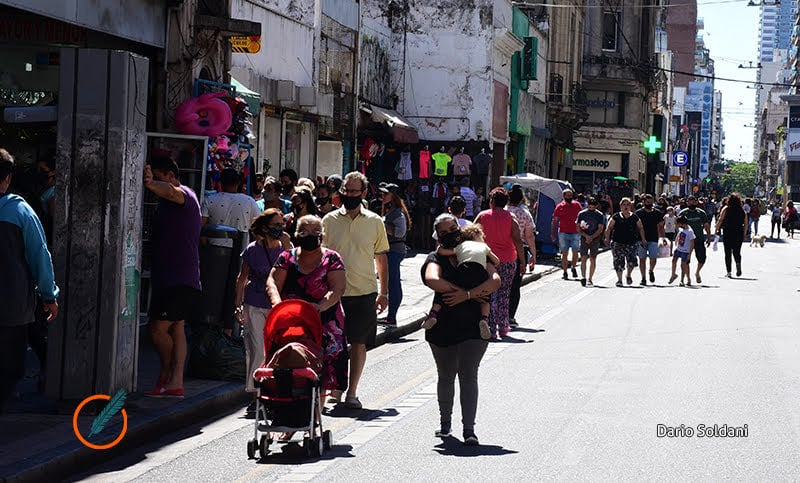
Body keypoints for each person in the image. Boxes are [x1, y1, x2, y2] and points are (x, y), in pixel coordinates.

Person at [421, 213, 501, 445]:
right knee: (445, 376)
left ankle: (469, 430)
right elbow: (432, 279)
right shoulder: (436, 257)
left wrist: (466, 295)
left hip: (475, 325)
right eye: (443, 232)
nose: (449, 234)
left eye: (452, 229)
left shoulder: (474, 250)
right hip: (442, 326)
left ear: (460, 228)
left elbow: (495, 279)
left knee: (469, 375)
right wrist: (464, 290)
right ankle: (445, 425)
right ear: (438, 235)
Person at [322, 171, 389, 409]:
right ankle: (336, 388)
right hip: (333, 293)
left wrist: (384, 292)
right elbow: (321, 257)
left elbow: (381, 258)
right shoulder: (329, 220)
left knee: (359, 342)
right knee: (334, 344)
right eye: (346, 191)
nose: (349, 195)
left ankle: (352, 391)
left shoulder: (375, 221)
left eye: (354, 191)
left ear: (363, 193)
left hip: (364, 291)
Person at [0, 148, 59, 413]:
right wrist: (49, 296)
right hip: (11, 306)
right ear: (8, 178)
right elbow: (39, 255)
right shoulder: (19, 210)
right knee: (11, 367)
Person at [267, 215, 348, 404]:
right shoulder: (286, 257)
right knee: (288, 364)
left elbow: (337, 289)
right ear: (296, 234)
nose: (309, 235)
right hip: (291, 320)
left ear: (323, 236)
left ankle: (314, 416)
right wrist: (277, 304)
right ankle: (286, 409)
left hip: (325, 320)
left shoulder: (332, 258)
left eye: (315, 232)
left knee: (321, 372)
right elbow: (272, 282)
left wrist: (319, 307)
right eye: (304, 231)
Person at [144, 155, 201, 398]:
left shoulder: (185, 194)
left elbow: (171, 192)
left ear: (170, 176)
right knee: (176, 328)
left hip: (179, 278)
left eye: (158, 178)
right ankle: (175, 382)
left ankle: (166, 373)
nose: (155, 185)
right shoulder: (166, 205)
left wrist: (150, 183)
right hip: (169, 276)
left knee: (157, 330)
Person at [234, 209, 292, 415]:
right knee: (257, 349)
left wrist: (288, 246)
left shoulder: (286, 248)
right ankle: (256, 395)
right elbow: (242, 278)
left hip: (278, 306)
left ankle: (276, 392)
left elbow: (294, 271)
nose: (280, 228)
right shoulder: (252, 250)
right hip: (254, 304)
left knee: (277, 351)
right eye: (276, 224)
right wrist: (238, 305)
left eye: (282, 224)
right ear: (266, 227)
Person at [422, 223, 498, 340]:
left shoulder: (460, 248)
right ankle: (484, 319)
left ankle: (433, 314)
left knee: (441, 292)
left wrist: (464, 292)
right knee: (485, 299)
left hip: (463, 271)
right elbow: (496, 267)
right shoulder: (484, 248)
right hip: (479, 274)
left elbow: (442, 253)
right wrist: (470, 294)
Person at [474, 188, 525, 338]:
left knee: (490, 294)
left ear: (492, 201)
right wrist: (522, 261)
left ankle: (491, 328)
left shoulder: (482, 216)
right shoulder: (511, 218)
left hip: (488, 261)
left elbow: (471, 234)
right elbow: (518, 241)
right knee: (504, 294)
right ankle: (503, 326)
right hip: (509, 260)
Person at [201, 168, 261, 246]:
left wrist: (205, 248)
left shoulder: (209, 200)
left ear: (221, 182)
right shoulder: (249, 202)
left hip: (214, 250)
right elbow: (259, 227)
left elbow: (202, 228)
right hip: (240, 250)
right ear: (238, 183)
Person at [505, 185, 536, 326]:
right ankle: (510, 317)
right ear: (521, 199)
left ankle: (496, 314)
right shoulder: (525, 214)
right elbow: (529, 236)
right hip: (519, 251)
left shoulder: (502, 212)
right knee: (515, 285)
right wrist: (533, 255)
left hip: (500, 250)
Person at [381, 184, 411, 326]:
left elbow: (400, 232)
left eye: (386, 194)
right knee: (389, 283)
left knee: (393, 283)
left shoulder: (398, 213)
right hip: (389, 251)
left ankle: (392, 317)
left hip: (394, 251)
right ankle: (390, 315)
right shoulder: (391, 211)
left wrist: (383, 226)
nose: (383, 196)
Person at [604, 197, 646, 287]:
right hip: (617, 242)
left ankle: (628, 275)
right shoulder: (616, 216)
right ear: (620, 206)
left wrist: (643, 239)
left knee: (631, 261)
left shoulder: (634, 217)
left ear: (631, 206)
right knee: (618, 261)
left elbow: (640, 228)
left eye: (628, 205)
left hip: (631, 243)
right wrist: (607, 238)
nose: (626, 206)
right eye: (624, 205)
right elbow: (609, 228)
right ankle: (619, 280)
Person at [550, 189, 583, 281]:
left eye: (570, 195)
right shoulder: (559, 207)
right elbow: (555, 221)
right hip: (563, 232)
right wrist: (552, 233)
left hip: (575, 232)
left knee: (575, 252)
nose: (569, 197)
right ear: (563, 196)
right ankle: (565, 271)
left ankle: (573, 267)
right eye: (567, 195)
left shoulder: (577, 205)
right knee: (564, 253)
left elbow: (582, 216)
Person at [634, 194, 665, 285]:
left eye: (651, 202)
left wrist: (663, 238)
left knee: (653, 258)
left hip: (653, 238)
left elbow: (661, 226)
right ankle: (643, 278)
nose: (649, 204)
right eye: (647, 202)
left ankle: (651, 270)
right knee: (642, 259)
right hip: (641, 239)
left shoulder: (657, 213)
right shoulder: (638, 213)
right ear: (643, 202)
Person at [714, 192, 747, 278]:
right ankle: (738, 263)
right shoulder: (742, 211)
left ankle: (729, 272)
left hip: (728, 232)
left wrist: (716, 229)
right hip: (738, 232)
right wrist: (744, 233)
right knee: (737, 251)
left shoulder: (726, 208)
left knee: (727, 252)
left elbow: (720, 219)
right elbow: (746, 223)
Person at [680, 195, 712, 284]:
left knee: (702, 259)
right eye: (689, 201)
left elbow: (706, 226)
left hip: (699, 239)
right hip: (686, 241)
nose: (691, 203)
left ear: (696, 202)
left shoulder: (701, 213)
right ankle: (687, 279)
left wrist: (709, 238)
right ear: (687, 203)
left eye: (693, 201)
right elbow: (678, 225)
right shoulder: (683, 213)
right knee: (685, 260)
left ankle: (697, 272)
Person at [576, 197, 605, 287]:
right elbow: (578, 227)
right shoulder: (581, 214)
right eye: (590, 206)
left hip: (595, 239)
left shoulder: (599, 215)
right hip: (584, 238)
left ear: (596, 206)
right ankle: (583, 276)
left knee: (593, 258)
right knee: (583, 257)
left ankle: (590, 278)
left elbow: (600, 228)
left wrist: (592, 237)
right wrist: (586, 236)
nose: (591, 208)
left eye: (593, 206)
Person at [668, 216, 695, 286]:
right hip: (679, 249)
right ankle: (673, 274)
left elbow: (692, 243)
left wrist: (690, 254)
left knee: (683, 265)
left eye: (678, 223)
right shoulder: (681, 229)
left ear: (682, 224)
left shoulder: (690, 231)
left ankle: (683, 280)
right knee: (674, 260)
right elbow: (678, 234)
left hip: (685, 251)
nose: (676, 225)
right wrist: (676, 243)